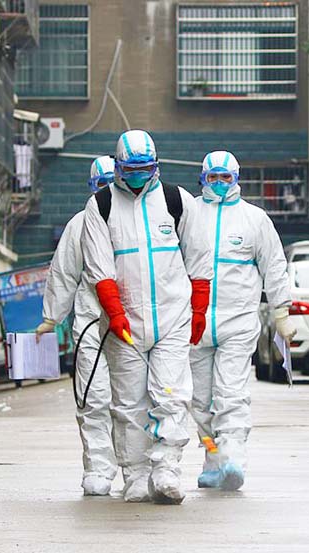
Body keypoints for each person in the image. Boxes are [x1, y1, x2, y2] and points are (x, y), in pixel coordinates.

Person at [81, 130, 211, 504]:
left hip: (172, 317)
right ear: (118, 166)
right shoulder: (101, 205)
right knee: (128, 403)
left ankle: (167, 468)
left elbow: (199, 261)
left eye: (145, 168)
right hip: (124, 323)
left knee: (171, 395)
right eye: (130, 169)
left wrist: (198, 310)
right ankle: (135, 474)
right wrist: (115, 312)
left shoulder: (176, 201)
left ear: (156, 165)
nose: (138, 175)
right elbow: (99, 266)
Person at [188, 151, 295, 491]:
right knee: (199, 402)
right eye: (212, 178)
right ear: (203, 178)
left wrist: (281, 312)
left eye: (225, 178)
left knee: (231, 394)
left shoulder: (255, 219)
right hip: (195, 323)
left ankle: (233, 460)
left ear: (237, 179)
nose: (219, 184)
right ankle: (212, 459)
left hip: (238, 321)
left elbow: (274, 265)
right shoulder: (189, 214)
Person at [36, 156, 118, 496]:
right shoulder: (79, 226)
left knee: (138, 401)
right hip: (92, 326)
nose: (108, 194)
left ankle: (139, 468)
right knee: (94, 398)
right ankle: (99, 467)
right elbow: (64, 273)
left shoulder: (144, 221)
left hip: (138, 328)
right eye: (102, 186)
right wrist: (50, 317)